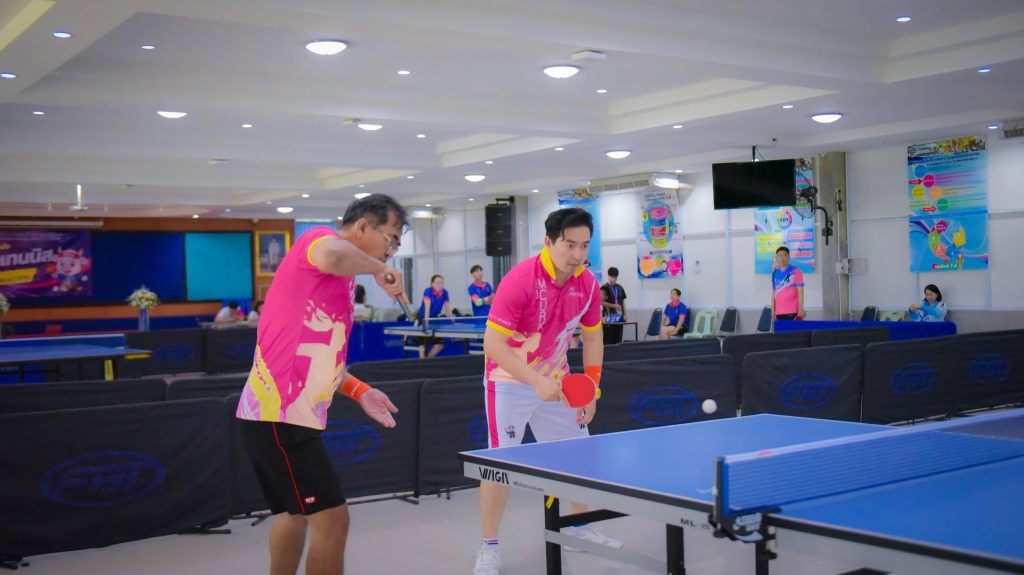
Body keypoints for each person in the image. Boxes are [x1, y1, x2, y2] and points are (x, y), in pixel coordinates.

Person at [235, 194, 407, 575]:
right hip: (279, 414)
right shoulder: (316, 243)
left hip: (275, 416)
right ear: (362, 226)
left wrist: (360, 391)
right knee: (332, 519)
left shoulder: (341, 282)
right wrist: (379, 268)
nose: (391, 251)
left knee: (293, 513)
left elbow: (322, 360)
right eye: (391, 240)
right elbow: (333, 253)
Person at [473, 207, 619, 575]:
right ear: (549, 242)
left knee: (578, 454)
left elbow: (593, 337)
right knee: (499, 466)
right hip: (509, 381)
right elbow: (493, 344)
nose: (578, 255)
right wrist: (534, 381)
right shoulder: (520, 280)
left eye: (584, 246)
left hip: (557, 381)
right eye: (570, 245)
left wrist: (591, 389)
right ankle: (489, 546)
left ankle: (580, 528)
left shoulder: (588, 284)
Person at [416, 274, 453, 358]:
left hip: (434, 318)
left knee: (439, 344)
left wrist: (454, 322)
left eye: (441, 282)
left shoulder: (445, 292)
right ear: (432, 284)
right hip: (423, 318)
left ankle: (428, 359)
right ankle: (423, 363)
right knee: (422, 345)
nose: (440, 284)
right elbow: (427, 309)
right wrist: (426, 323)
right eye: (437, 282)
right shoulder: (428, 291)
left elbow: (448, 309)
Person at [770, 246, 804, 321]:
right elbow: (774, 293)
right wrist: (773, 310)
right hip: (778, 313)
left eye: (785, 255)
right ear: (776, 258)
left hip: (793, 312)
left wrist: (801, 309)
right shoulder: (775, 273)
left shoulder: (796, 271)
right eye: (780, 255)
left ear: (789, 257)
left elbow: (800, 292)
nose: (782, 258)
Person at [601, 266, 627, 344]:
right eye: (611, 277)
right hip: (608, 318)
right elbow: (600, 302)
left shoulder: (620, 288)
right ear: (608, 276)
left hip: (619, 318)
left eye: (615, 277)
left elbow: (623, 302)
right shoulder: (604, 288)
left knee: (618, 341)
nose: (613, 279)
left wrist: (625, 314)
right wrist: (614, 306)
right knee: (608, 341)